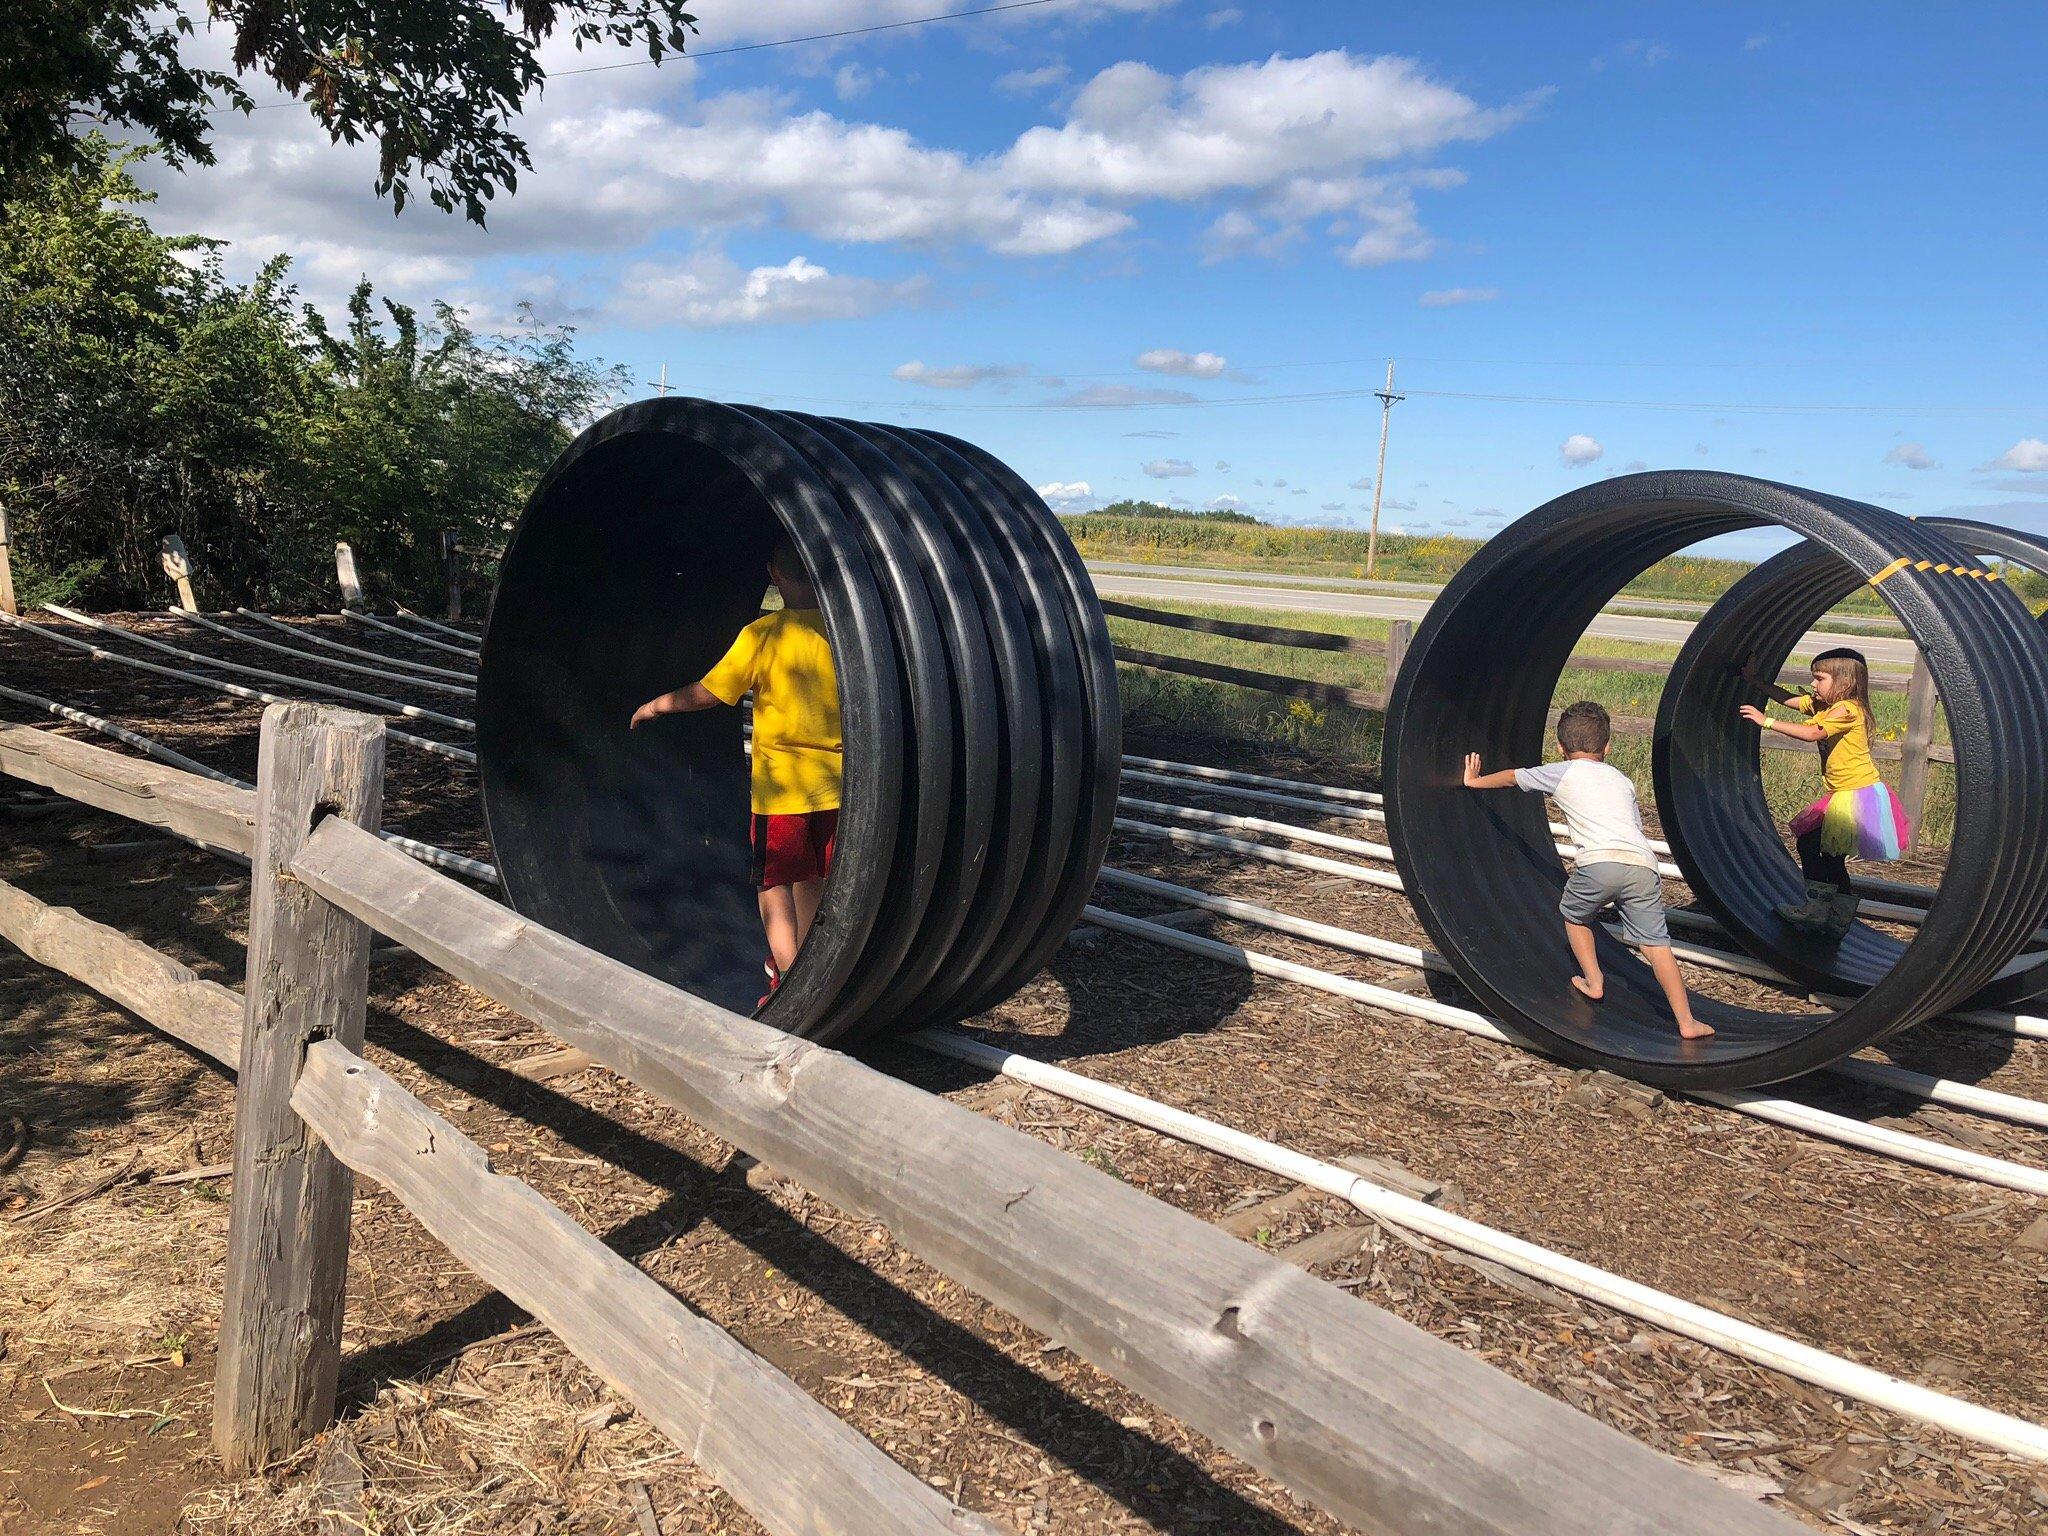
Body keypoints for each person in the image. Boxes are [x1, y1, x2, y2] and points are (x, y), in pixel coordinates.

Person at [631, 535, 840, 1005]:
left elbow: (711, 691)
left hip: (782, 792)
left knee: (773, 882)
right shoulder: (846, 634)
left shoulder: (763, 635)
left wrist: (658, 705)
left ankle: (788, 980)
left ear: (775, 575)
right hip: (838, 788)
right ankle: (812, 969)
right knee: (814, 879)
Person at [1463, 701, 1712, 1040]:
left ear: (1559, 747)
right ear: (1608, 747)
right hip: (1642, 864)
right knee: (1655, 945)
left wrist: (1475, 783)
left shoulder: (1561, 771)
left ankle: (1594, 981)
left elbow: (1512, 777)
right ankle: (1686, 1021)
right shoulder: (1623, 780)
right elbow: (1634, 825)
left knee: (1575, 915)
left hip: (1599, 862)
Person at [1737, 647, 1907, 938]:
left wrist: (1766, 721)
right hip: (1844, 793)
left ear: (1845, 682)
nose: (1813, 684)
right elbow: (1789, 699)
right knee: (1828, 854)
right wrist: (1756, 683)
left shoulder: (1848, 709)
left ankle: (1818, 909)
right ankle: (1838, 915)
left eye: (1820, 678)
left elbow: (1814, 733)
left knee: (1811, 844)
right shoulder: (1826, 706)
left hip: (1856, 795)